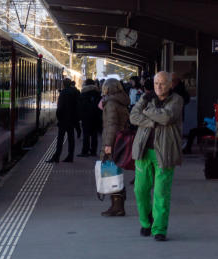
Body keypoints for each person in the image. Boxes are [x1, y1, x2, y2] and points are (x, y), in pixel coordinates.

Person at [130, 71, 183, 241]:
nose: (158, 87)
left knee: (161, 192)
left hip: (165, 151)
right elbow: (133, 116)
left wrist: (146, 111)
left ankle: (159, 229)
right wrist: (153, 120)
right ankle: (146, 223)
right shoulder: (146, 98)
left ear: (170, 84)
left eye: (162, 83)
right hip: (143, 150)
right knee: (140, 190)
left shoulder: (176, 100)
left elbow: (167, 117)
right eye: (156, 83)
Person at [98, 78, 130, 216]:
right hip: (120, 140)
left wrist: (107, 146)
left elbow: (111, 126)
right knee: (114, 172)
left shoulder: (110, 103)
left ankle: (117, 206)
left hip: (112, 141)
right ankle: (118, 204)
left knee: (111, 173)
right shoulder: (120, 101)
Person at [46, 78, 80, 163]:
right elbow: (78, 106)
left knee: (60, 139)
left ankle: (56, 157)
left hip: (63, 120)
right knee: (71, 138)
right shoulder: (76, 92)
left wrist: (59, 118)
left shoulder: (63, 93)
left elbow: (60, 107)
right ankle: (70, 156)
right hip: (72, 120)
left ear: (64, 84)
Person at [77, 78, 102, 157]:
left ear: (86, 84)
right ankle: (93, 151)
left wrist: (80, 117)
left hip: (86, 117)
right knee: (94, 135)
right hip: (96, 117)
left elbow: (80, 107)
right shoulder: (98, 93)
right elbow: (100, 106)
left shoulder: (83, 94)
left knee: (86, 135)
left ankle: (85, 151)